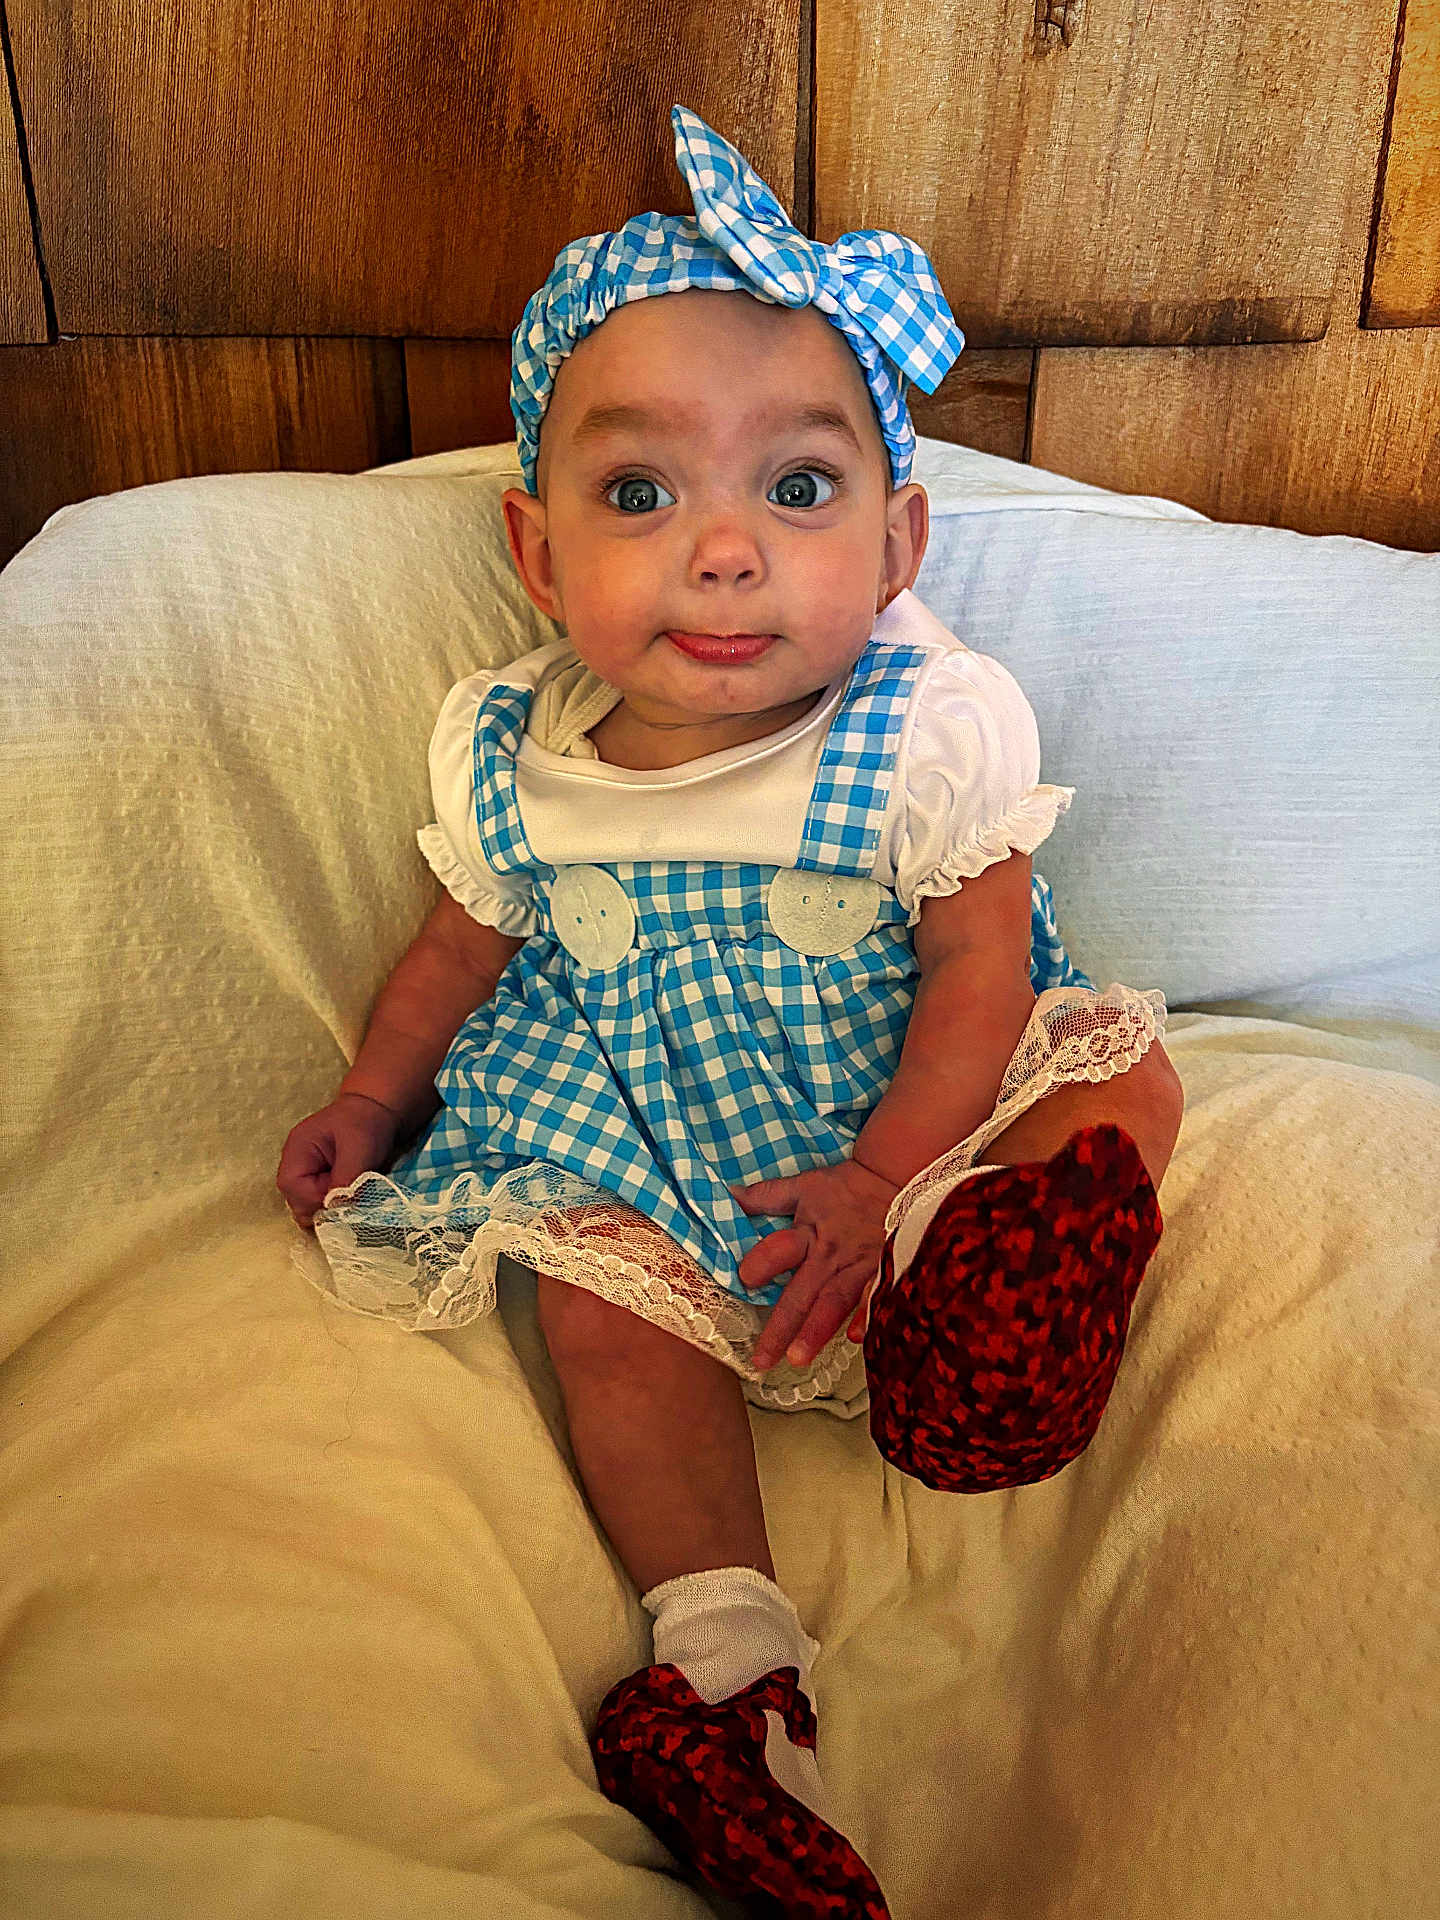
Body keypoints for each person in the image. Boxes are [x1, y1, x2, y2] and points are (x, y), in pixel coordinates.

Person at [276, 105, 1184, 1920]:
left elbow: (983, 976)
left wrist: (886, 1179)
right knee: (597, 1298)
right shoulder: (515, 757)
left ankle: (1006, 1305)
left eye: (796, 488)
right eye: (640, 493)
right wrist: (375, 1101)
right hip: (657, 1135)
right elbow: (453, 955)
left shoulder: (928, 729)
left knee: (1117, 1075)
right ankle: (723, 1671)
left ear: (900, 536)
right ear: (536, 556)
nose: (724, 551)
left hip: (907, 1115)